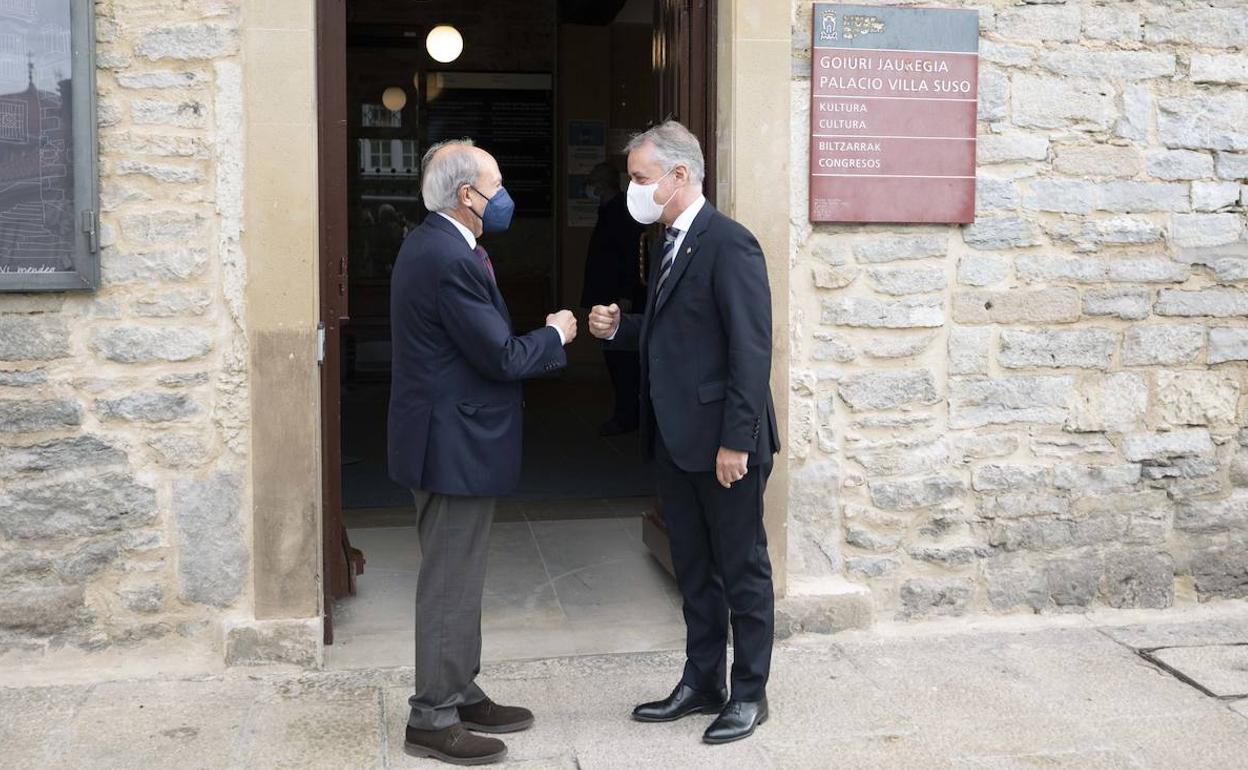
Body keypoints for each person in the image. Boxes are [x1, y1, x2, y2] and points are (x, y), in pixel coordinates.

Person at [588, 121, 779, 745]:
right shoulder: (669, 240)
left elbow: (750, 353)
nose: (633, 191)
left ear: (680, 176)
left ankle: (750, 692)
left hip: (724, 444)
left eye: (641, 179)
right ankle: (703, 681)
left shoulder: (730, 243)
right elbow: (678, 334)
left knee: (742, 569)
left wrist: (737, 442)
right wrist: (622, 327)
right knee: (694, 570)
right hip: (676, 439)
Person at [388, 139, 578, 766]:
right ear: (467, 195)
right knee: (449, 582)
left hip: (448, 438)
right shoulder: (449, 257)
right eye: (496, 184)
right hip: (451, 444)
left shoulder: (441, 245)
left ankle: (460, 691)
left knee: (461, 578)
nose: (504, 196)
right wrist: (555, 333)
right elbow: (499, 356)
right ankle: (432, 718)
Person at [580, 162, 646, 435]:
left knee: (623, 362)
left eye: (593, 182)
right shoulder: (608, 209)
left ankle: (627, 415)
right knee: (615, 359)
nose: (590, 188)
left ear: (602, 184)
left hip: (617, 299)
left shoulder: (620, 212)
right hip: (606, 295)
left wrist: (625, 295)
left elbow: (629, 256)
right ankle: (626, 413)